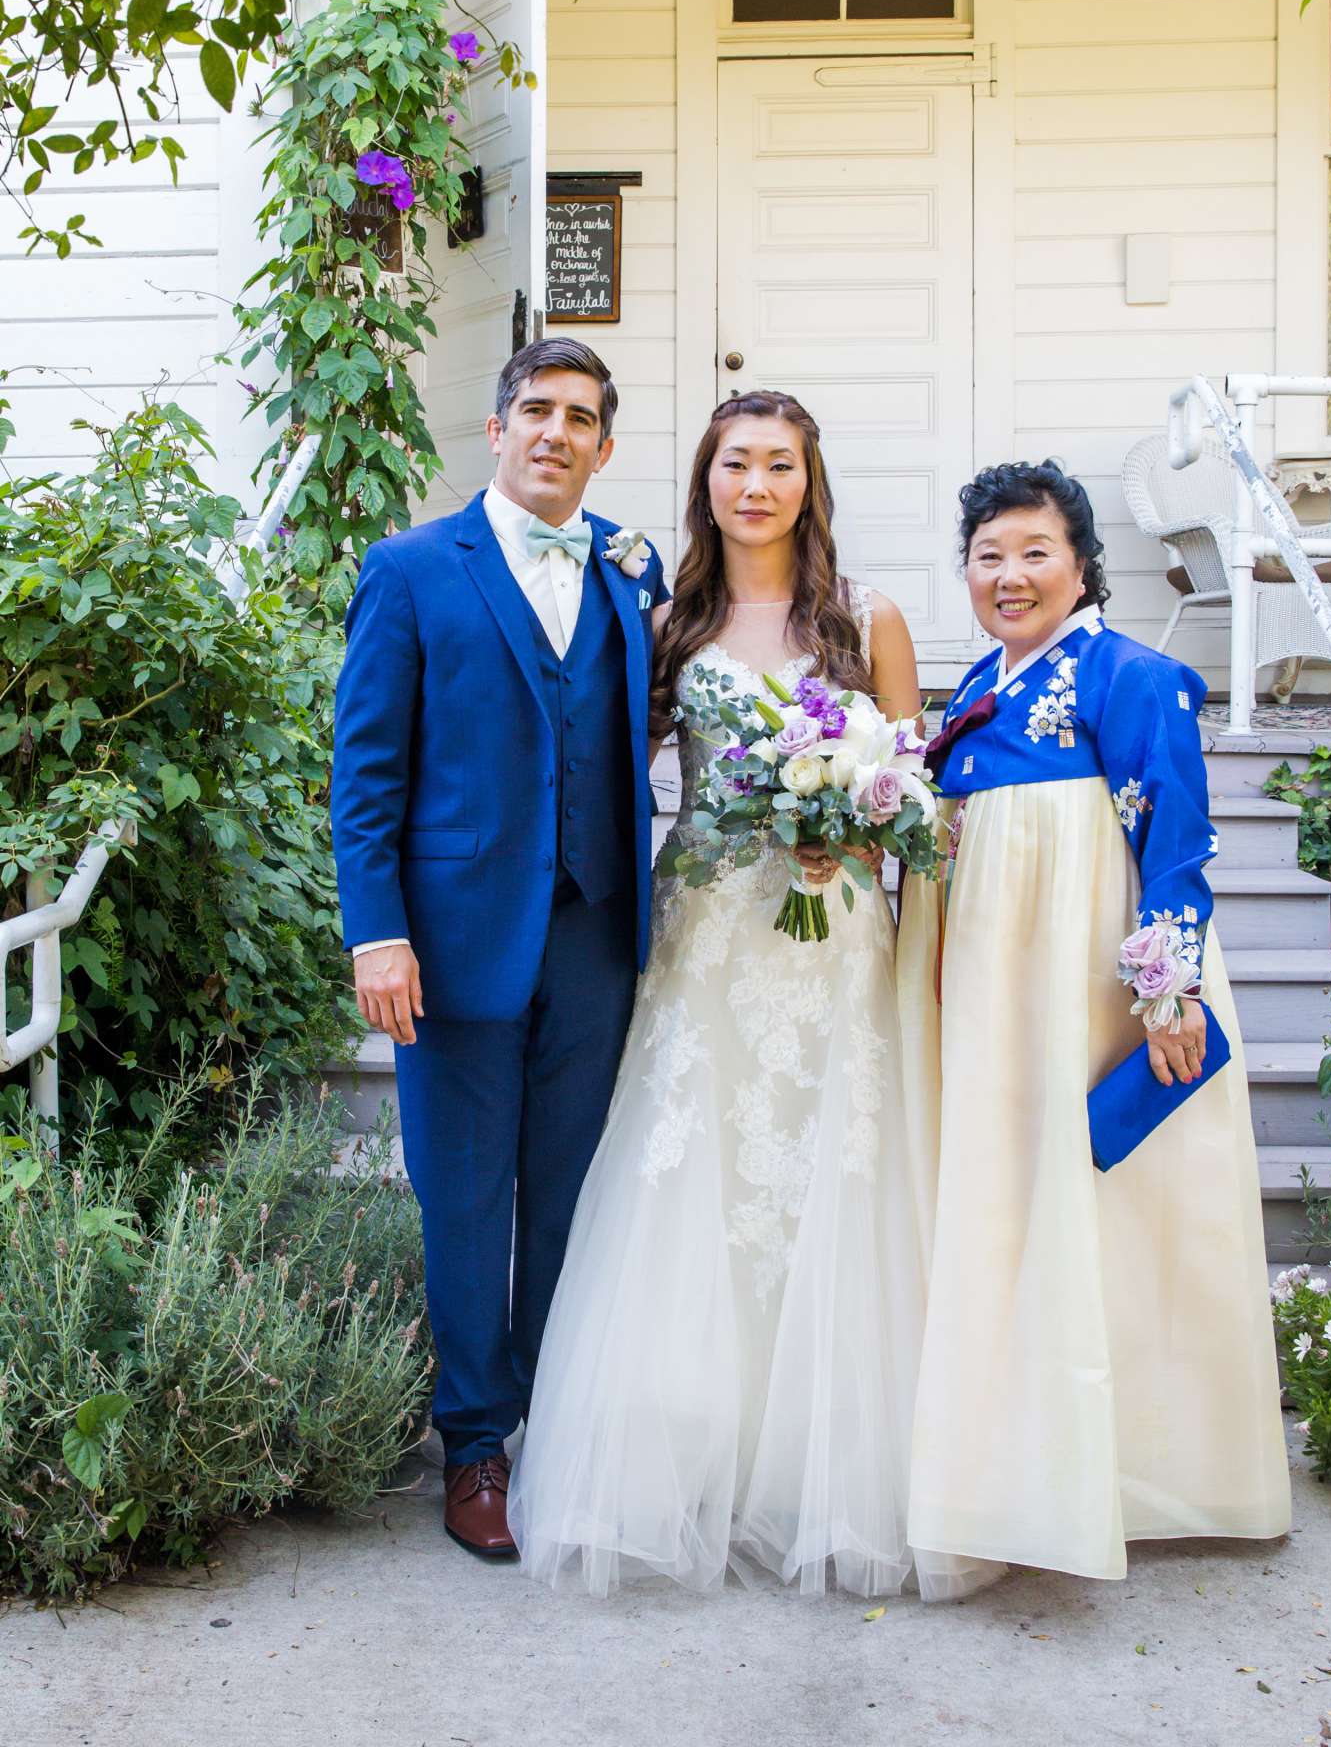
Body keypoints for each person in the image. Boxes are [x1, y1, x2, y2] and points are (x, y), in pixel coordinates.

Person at [509, 390, 979, 1598]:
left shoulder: (864, 618)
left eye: (779, 464)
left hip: (829, 943)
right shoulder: (666, 621)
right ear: (705, 482)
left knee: (833, 1176)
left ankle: (821, 1471)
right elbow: (604, 762)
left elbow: (912, 784)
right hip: (708, 933)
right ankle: (682, 1459)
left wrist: (855, 831)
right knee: (696, 1173)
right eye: (734, 464)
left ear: (810, 483)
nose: (755, 485)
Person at [898, 460, 1291, 1583]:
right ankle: (1024, 1450)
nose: (1010, 575)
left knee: (1116, 1209)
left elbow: (1173, 832)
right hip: (996, 980)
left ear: (1079, 564)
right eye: (988, 556)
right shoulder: (975, 683)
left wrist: (1165, 991)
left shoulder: (1134, 675)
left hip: (1088, 980)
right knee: (1018, 1196)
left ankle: (1144, 1472)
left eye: (1034, 552)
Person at [330, 338, 668, 1559]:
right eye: (536, 410)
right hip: (455, 938)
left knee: (574, 1192)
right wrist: (377, 931)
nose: (555, 434)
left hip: (595, 933)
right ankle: (471, 1445)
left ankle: (558, 1426)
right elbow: (364, 773)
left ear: (604, 446)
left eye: (581, 419)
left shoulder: (635, 573)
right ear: (495, 427)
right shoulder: (413, 570)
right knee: (467, 1199)